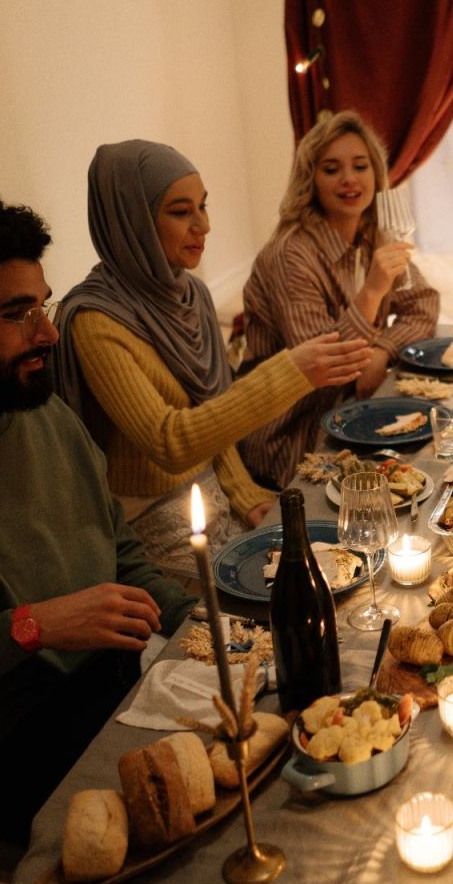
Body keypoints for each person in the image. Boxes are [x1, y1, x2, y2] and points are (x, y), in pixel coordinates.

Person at [0, 192, 198, 845]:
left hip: (114, 692)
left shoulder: (42, 413)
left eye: (42, 304)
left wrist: (201, 629)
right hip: (5, 750)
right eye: (16, 313)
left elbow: (118, 553)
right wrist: (31, 627)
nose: (48, 332)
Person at [53, 140, 372, 578]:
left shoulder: (190, 294)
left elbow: (215, 413)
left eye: (203, 207)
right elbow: (171, 442)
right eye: (181, 212)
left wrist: (247, 497)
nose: (204, 225)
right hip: (146, 520)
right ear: (132, 221)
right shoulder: (95, 321)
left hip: (215, 492)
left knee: (343, 558)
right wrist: (289, 372)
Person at [240, 110, 440, 488]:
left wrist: (381, 351)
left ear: (375, 173)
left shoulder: (373, 234)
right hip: (295, 436)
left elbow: (423, 304)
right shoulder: (290, 255)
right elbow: (323, 367)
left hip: (355, 411)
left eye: (360, 166)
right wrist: (373, 291)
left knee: (441, 453)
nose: (349, 179)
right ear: (310, 180)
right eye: (331, 169)